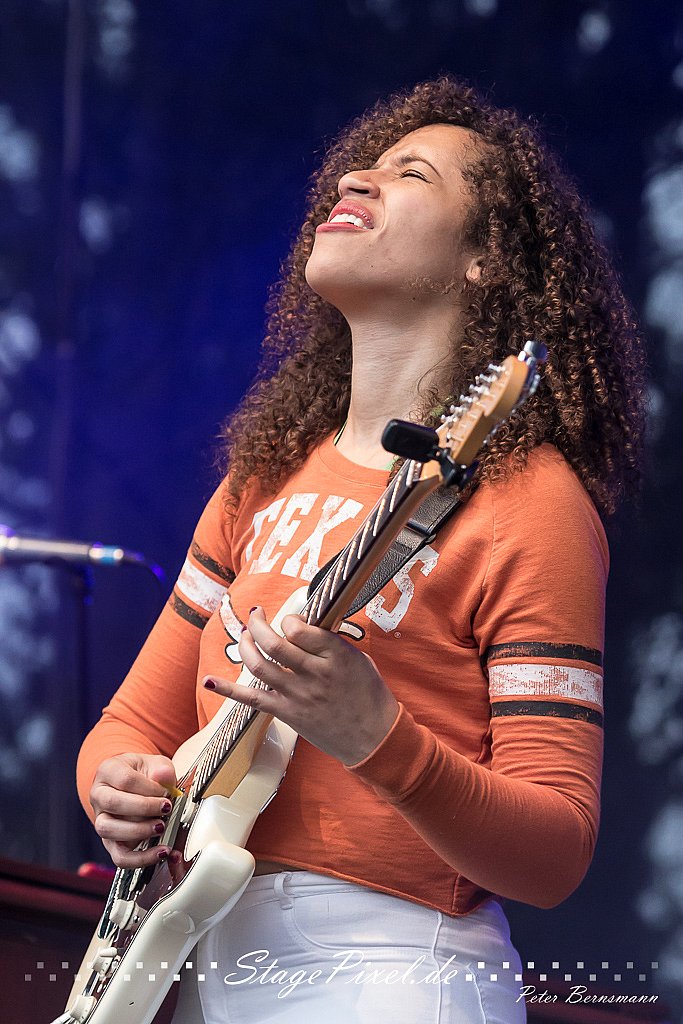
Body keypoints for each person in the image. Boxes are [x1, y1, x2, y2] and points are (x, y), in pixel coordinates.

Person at [75, 76, 646, 1023]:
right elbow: (132, 724)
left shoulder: (528, 499)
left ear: (484, 260)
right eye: (361, 167)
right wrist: (118, 787)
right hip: (212, 961)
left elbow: (553, 855)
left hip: (397, 969)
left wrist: (378, 738)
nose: (354, 178)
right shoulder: (263, 475)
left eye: (411, 173)